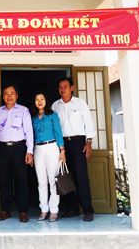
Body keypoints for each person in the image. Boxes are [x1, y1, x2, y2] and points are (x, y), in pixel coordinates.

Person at [51, 77, 96, 222]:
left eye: (65, 86)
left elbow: (89, 123)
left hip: (78, 143)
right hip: (62, 145)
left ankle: (88, 210)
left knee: (81, 177)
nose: (62, 89)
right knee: (66, 176)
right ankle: (72, 209)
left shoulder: (80, 103)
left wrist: (88, 142)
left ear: (72, 88)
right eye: (60, 86)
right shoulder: (55, 106)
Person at [0, 85, 34, 223]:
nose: (9, 96)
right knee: (4, 180)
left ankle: (22, 211)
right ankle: (5, 210)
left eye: (12, 93)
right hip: (2, 149)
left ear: (17, 95)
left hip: (19, 148)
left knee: (21, 181)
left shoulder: (23, 110)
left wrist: (29, 151)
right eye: (6, 94)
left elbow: (29, 132)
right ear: (3, 96)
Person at [29, 91, 65, 223]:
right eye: (37, 99)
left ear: (46, 101)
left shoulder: (52, 115)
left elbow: (58, 132)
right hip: (37, 148)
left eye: (42, 99)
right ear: (34, 102)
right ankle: (44, 209)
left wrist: (62, 150)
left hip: (52, 147)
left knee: (53, 180)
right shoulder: (32, 117)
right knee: (41, 181)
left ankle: (54, 210)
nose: (39, 101)